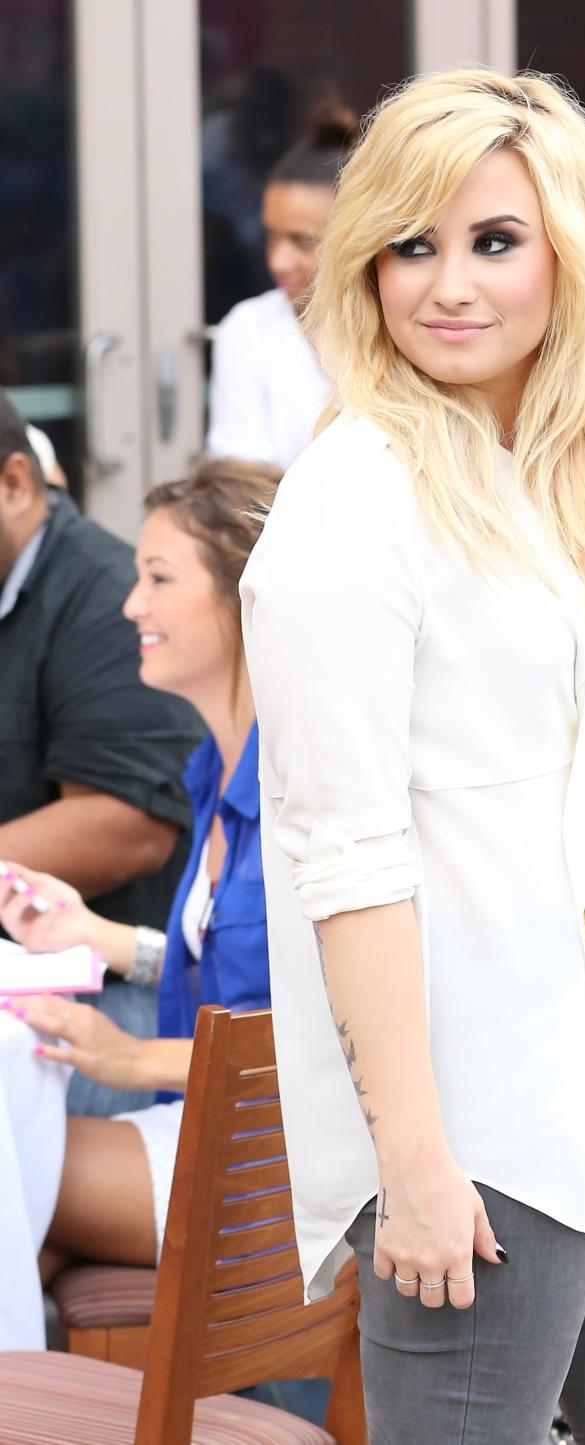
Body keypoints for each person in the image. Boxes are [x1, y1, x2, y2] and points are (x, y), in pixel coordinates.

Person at [241, 67, 585, 1445]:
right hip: (469, 1098)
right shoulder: (353, 502)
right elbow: (344, 855)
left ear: (564, 258)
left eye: (493, 242)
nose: (448, 286)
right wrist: (414, 1161)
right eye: (411, 245)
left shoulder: (539, 471)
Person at [0, 458, 280, 1283]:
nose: (131, 605)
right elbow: (238, 964)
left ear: (246, 598)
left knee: (14, 1191)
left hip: (271, 1166)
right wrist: (99, 935)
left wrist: (131, 1058)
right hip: (206, 1124)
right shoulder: (215, 769)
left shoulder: (298, 789)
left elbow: (331, 1040)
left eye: (158, 578)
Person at [0, 390, 205, 1116]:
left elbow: (127, 826)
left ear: (16, 482)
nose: (143, 600)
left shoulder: (103, 597)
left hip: (124, 1001)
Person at [206, 100, 358, 470]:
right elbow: (239, 481)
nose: (277, 261)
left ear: (355, 235)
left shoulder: (404, 326)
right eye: (271, 237)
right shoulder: (250, 327)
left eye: (301, 241)